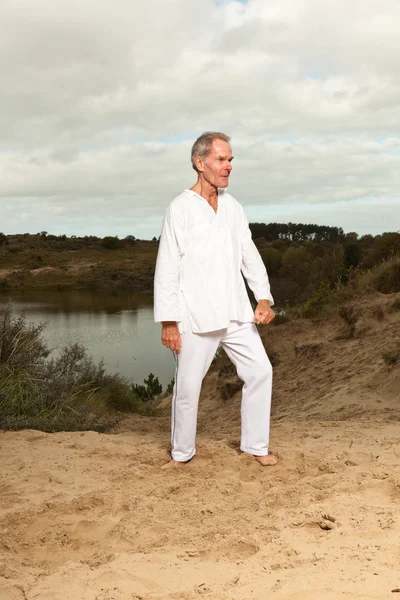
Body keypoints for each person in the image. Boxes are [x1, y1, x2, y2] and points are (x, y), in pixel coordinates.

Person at [154, 132, 277, 469]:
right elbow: (166, 267)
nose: (228, 166)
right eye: (222, 159)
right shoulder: (180, 208)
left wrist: (262, 298)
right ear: (200, 162)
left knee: (260, 371)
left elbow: (248, 253)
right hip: (195, 314)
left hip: (236, 310)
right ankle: (182, 454)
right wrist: (168, 321)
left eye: (231, 160)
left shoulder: (233, 206)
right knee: (188, 388)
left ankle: (255, 445)